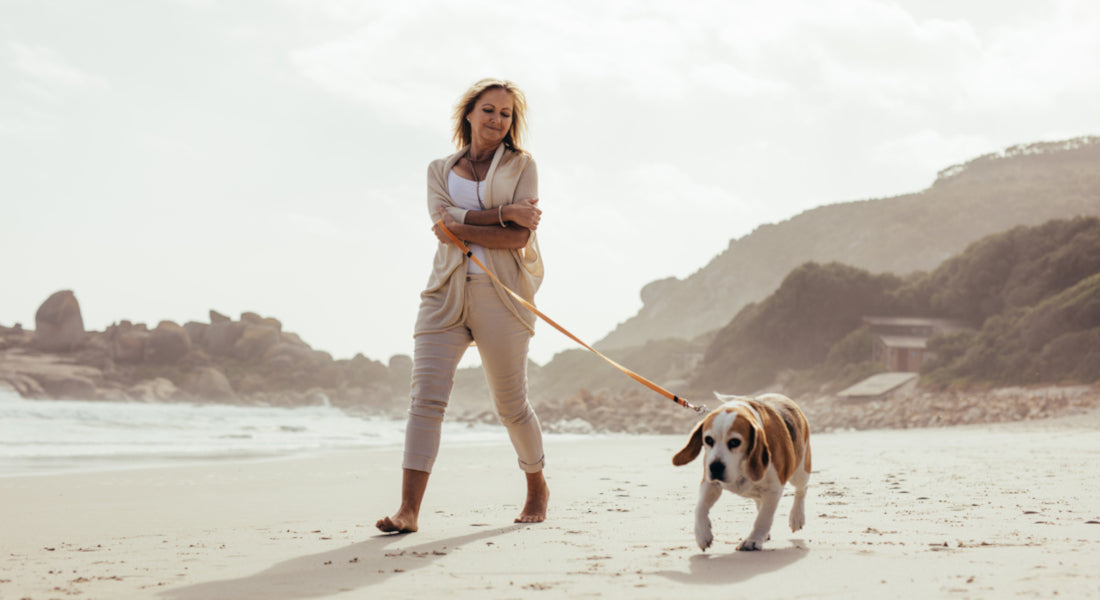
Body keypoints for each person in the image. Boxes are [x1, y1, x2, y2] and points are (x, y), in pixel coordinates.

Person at [377, 78, 549, 533]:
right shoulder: (439, 169)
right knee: (425, 401)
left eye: (506, 114)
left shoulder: (522, 165)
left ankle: (536, 485)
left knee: (511, 406)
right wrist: (501, 213)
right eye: (488, 110)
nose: (496, 120)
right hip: (444, 293)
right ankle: (408, 511)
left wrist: (474, 222)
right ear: (469, 114)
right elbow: (443, 229)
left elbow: (518, 237)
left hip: (502, 296)